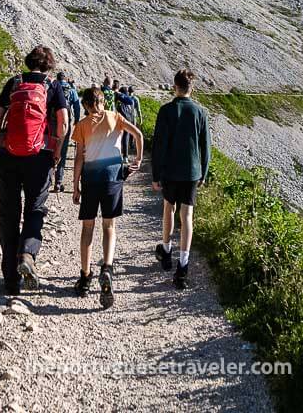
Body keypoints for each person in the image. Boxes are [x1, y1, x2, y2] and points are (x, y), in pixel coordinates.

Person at [0, 46, 69, 294]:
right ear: (49, 65)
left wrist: (0, 140)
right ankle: (27, 254)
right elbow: (64, 123)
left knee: (9, 214)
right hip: (40, 156)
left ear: (28, 62)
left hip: (9, 156)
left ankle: (10, 279)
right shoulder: (53, 86)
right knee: (35, 208)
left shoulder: (14, 83)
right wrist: (56, 151)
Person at [71, 86, 143, 309]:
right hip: (113, 177)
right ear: (104, 101)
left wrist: (75, 186)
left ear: (85, 105)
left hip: (91, 179)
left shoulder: (81, 125)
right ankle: (107, 268)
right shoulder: (116, 117)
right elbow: (138, 134)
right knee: (109, 226)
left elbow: (78, 159)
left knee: (88, 227)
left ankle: (85, 277)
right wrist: (138, 159)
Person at [151, 69, 209, 289]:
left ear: (174, 86)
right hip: (192, 172)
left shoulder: (166, 110)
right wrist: (203, 171)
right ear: (191, 88)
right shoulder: (200, 112)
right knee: (188, 216)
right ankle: (183, 267)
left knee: (169, 208)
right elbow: (206, 146)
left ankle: (166, 250)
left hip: (170, 171)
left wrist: (156, 174)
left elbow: (159, 145)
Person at [51, 71, 82, 193]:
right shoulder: (71, 89)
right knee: (62, 151)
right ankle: (58, 183)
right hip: (65, 122)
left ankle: (47, 178)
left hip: (51, 123)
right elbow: (77, 106)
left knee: (49, 149)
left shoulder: (52, 87)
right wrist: (77, 120)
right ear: (65, 79)